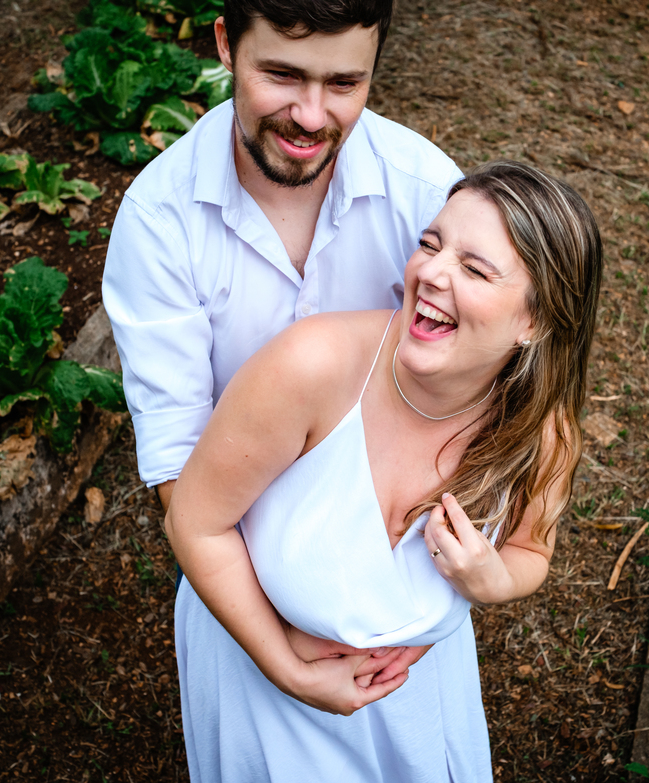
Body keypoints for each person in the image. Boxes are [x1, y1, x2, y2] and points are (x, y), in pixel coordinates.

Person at [168, 161, 603, 783]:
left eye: (476, 269)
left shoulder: (542, 430)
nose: (430, 272)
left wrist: (494, 580)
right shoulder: (311, 368)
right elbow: (196, 521)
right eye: (430, 244)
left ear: (534, 323)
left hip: (414, 703)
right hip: (263, 685)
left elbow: (532, 551)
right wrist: (286, 669)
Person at [102, 0, 463, 515]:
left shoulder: (429, 195)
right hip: (236, 528)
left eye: (344, 83)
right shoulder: (157, 222)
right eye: (281, 74)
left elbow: (497, 380)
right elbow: (182, 479)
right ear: (226, 43)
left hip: (401, 516)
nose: (311, 117)